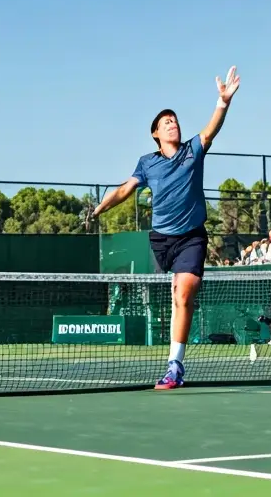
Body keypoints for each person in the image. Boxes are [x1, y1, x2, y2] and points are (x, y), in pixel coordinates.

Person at [90, 66, 240, 390]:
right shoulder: (147, 162)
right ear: (156, 134)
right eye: (165, 122)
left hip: (192, 236)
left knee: (183, 294)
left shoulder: (192, 151)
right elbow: (124, 189)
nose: (172, 124)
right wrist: (102, 206)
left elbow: (210, 131)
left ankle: (175, 365)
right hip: (161, 239)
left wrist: (223, 104)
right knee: (175, 296)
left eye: (175, 121)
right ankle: (174, 357)